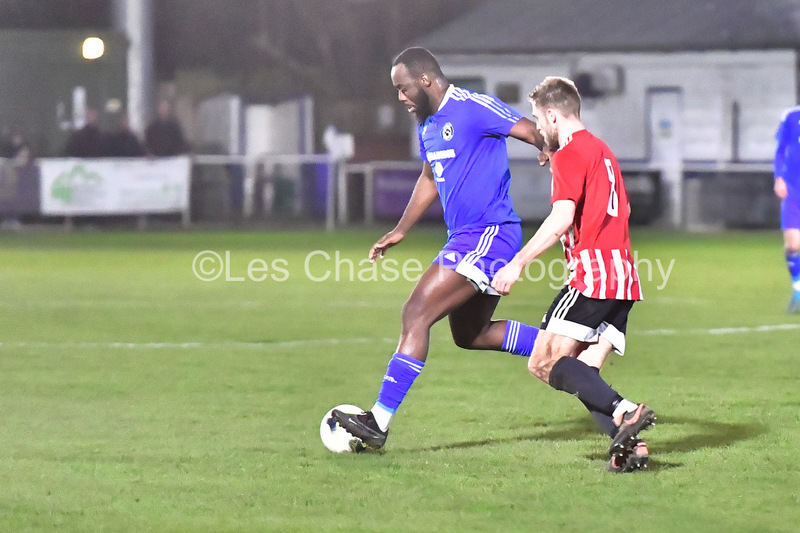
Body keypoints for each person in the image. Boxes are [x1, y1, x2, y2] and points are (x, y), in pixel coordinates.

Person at [332, 47, 547, 452]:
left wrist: (547, 146)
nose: (401, 98)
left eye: (403, 88)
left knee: (416, 312)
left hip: (490, 233)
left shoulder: (472, 107)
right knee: (471, 334)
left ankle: (377, 422)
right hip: (464, 236)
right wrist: (401, 229)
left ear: (426, 80)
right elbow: (430, 178)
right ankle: (563, 346)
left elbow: (533, 130)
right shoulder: (427, 124)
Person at [491, 76, 655, 473]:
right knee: (585, 372)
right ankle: (631, 448)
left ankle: (625, 410)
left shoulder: (569, 154)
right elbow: (621, 210)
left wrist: (517, 263)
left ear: (552, 115)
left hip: (592, 276)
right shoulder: (602, 151)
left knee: (542, 362)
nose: (537, 127)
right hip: (623, 276)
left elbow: (561, 218)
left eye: (537, 118)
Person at [773, 106, 800, 313]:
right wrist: (779, 178)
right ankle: (798, 288)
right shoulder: (791, 116)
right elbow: (780, 150)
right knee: (793, 244)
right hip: (792, 189)